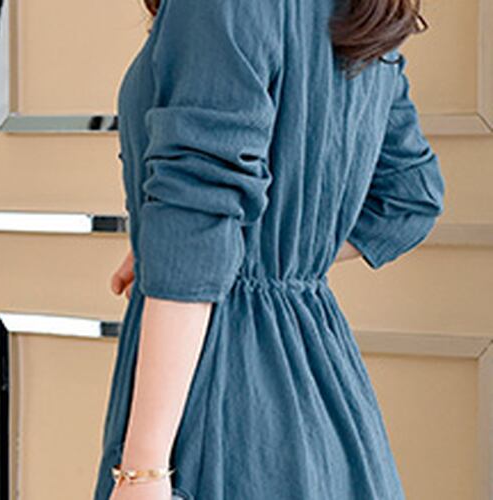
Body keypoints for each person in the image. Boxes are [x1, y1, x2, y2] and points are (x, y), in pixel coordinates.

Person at [93, 0, 445, 498]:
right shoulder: (361, 9)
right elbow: (411, 197)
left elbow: (197, 211)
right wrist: (231, 246)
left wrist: (143, 471)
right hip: (322, 390)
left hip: (224, 389)